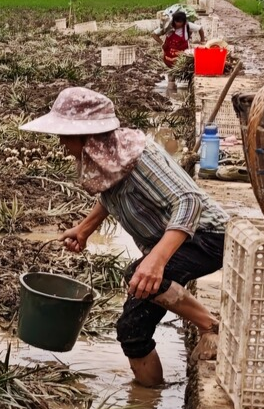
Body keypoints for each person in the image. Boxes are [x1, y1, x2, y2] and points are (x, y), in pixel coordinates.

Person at [22, 86, 224, 388]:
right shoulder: (111, 157)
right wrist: (85, 229)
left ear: (88, 137)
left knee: (138, 275)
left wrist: (155, 261)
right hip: (179, 239)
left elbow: (189, 202)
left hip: (207, 237)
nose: (62, 144)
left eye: (65, 136)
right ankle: (147, 403)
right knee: (133, 329)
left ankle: (210, 325)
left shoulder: (141, 158)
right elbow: (111, 194)